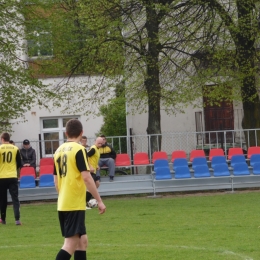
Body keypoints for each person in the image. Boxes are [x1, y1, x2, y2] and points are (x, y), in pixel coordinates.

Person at [53, 119, 106, 260]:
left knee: (82, 242)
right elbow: (87, 177)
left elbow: (55, 180)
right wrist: (99, 201)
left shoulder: (58, 151)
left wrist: (62, 196)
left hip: (64, 202)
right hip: (73, 203)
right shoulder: (79, 149)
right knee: (70, 245)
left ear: (66, 133)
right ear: (81, 133)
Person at [0, 132, 22, 225]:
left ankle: (3, 219)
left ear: (2, 139)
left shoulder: (0, 148)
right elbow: (19, 164)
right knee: (15, 198)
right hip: (12, 176)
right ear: (9, 139)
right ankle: (17, 219)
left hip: (1, 177)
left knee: (2, 199)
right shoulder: (15, 148)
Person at [86, 137, 104, 208]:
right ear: (95, 142)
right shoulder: (93, 149)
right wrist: (90, 166)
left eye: (101, 143)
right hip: (90, 171)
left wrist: (96, 165)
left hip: (94, 170)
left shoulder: (97, 149)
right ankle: (85, 202)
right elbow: (86, 156)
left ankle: (87, 199)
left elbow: (93, 158)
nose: (100, 145)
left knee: (97, 183)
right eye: (98, 143)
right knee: (92, 187)